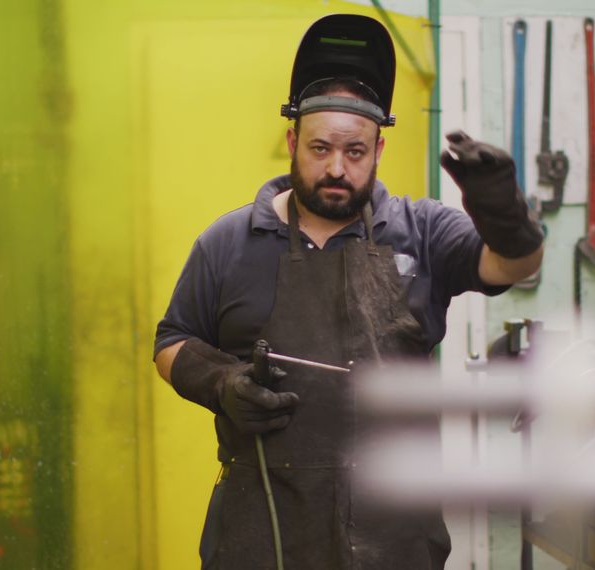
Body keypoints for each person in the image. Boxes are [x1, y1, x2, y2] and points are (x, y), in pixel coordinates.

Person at [153, 14, 543, 569]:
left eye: (355, 152)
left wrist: (500, 207)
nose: (336, 168)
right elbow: (172, 341)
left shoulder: (422, 230)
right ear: (292, 141)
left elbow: (514, 266)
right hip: (262, 529)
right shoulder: (228, 242)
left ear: (378, 151)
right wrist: (222, 383)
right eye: (319, 149)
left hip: (395, 535)